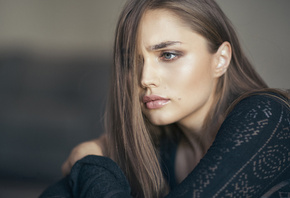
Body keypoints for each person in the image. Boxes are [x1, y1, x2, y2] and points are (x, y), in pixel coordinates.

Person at [40, 0, 290, 197]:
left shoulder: (267, 117)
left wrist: (87, 160)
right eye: (131, 61)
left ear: (221, 59)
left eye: (168, 55)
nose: (145, 78)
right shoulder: (160, 143)